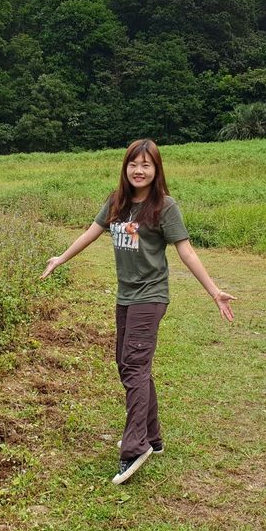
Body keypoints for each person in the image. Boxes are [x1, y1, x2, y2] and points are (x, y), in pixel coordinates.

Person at [39, 139, 235, 485]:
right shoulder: (117, 202)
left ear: (156, 169)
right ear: (125, 167)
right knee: (129, 364)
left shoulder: (164, 207)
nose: (139, 170)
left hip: (151, 295)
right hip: (126, 295)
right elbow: (90, 233)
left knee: (134, 365)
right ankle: (153, 438)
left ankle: (134, 448)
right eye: (133, 164)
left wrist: (214, 290)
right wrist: (60, 258)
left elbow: (185, 252)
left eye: (146, 165)